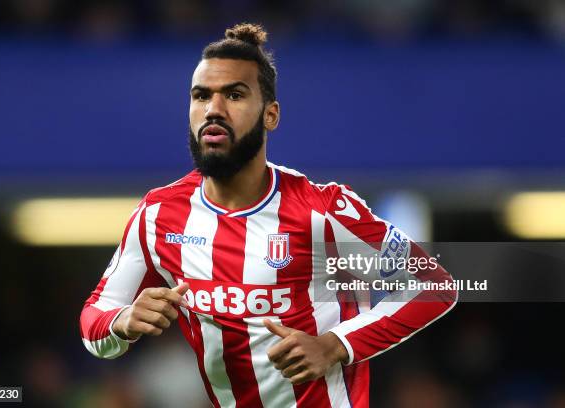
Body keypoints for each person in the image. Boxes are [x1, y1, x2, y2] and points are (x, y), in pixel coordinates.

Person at [79, 23, 457, 407]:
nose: (214, 109)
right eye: (201, 96)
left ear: (270, 115)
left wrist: (334, 345)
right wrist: (122, 322)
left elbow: (434, 285)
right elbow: (94, 323)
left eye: (235, 95)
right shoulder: (159, 215)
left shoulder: (322, 211)